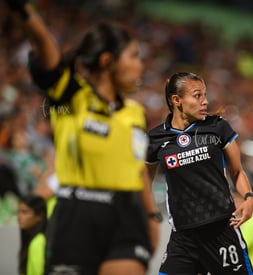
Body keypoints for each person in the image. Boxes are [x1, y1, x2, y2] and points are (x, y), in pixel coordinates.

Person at [4, 1, 160, 274]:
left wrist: (151, 216)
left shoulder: (136, 113)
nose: (140, 65)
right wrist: (26, 15)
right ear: (107, 61)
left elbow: (138, 172)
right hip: (77, 216)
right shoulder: (70, 97)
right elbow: (46, 50)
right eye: (134, 56)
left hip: (126, 217)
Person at [146, 72, 253, 274]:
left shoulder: (217, 127)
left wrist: (248, 197)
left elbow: (237, 171)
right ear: (176, 100)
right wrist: (147, 215)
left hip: (221, 232)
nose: (205, 102)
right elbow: (144, 183)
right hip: (183, 239)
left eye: (205, 95)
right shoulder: (155, 139)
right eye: (197, 96)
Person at [17, 195, 47, 275]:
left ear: (40, 216)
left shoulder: (38, 242)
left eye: (24, 212)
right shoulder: (31, 239)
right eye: (17, 212)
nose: (19, 217)